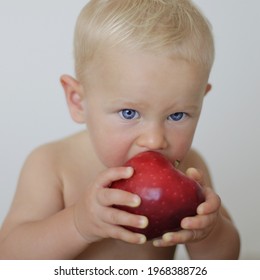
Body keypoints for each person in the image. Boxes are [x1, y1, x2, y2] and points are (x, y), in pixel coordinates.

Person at [0, 0, 240, 259]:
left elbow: (223, 264)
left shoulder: (190, 167)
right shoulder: (52, 166)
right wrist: (78, 224)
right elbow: (10, 258)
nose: (154, 140)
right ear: (78, 101)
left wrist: (209, 232)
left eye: (177, 115)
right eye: (129, 113)